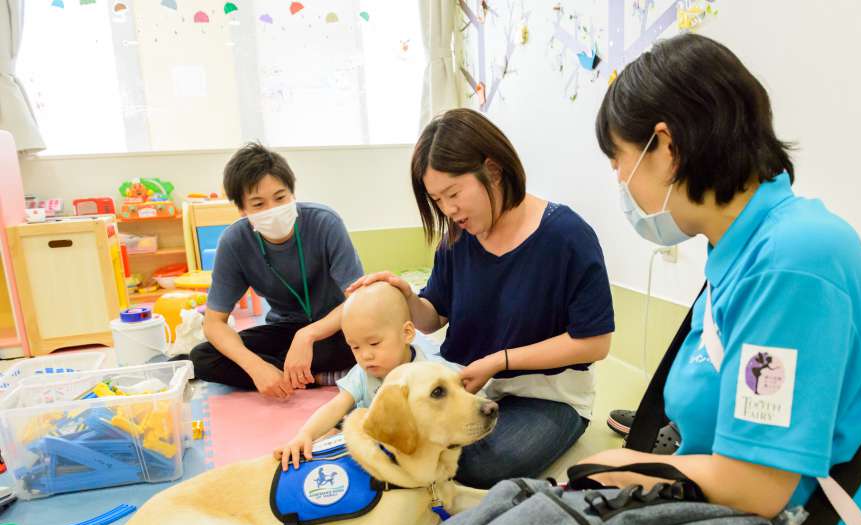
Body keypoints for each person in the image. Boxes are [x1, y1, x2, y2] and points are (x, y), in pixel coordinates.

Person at [578, 33, 861, 525]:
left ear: (666, 147)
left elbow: (760, 486)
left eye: (620, 160)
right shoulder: (738, 248)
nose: (619, 181)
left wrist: (626, 464)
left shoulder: (795, 259)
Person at [347, 109, 614, 488]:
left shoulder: (567, 237)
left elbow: (594, 344)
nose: (449, 211)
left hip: (547, 398)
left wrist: (499, 362)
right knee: (402, 440)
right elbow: (432, 318)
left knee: (475, 466)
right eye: (438, 200)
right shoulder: (457, 239)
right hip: (467, 386)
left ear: (492, 170)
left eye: (454, 194)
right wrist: (406, 296)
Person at [189, 143, 364, 399]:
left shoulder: (325, 223)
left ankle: (292, 374)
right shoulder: (234, 241)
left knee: (367, 340)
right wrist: (256, 366)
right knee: (201, 357)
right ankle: (309, 376)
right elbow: (214, 323)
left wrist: (308, 335)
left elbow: (358, 300)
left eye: (280, 198)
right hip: (284, 330)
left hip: (334, 327)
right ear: (242, 210)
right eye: (258, 204)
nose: (272, 210)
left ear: (293, 195)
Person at [273, 282, 453, 470]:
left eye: (374, 343)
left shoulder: (430, 372)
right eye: (355, 347)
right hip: (372, 435)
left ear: (407, 333)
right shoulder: (362, 373)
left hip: (411, 442)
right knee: (331, 437)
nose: (365, 356)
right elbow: (336, 406)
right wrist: (305, 434)